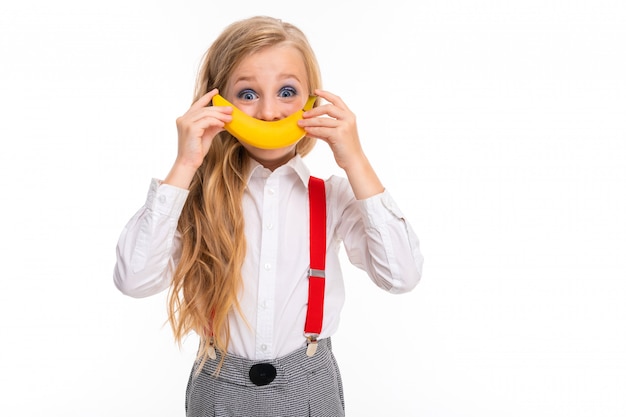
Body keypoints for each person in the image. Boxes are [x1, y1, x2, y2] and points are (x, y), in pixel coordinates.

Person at [113, 15, 423, 417]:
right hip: (218, 387)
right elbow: (134, 280)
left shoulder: (332, 196)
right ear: (217, 101)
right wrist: (185, 165)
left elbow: (402, 276)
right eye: (247, 94)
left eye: (287, 91)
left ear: (312, 101)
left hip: (310, 385)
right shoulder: (193, 199)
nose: (269, 111)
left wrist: (357, 162)